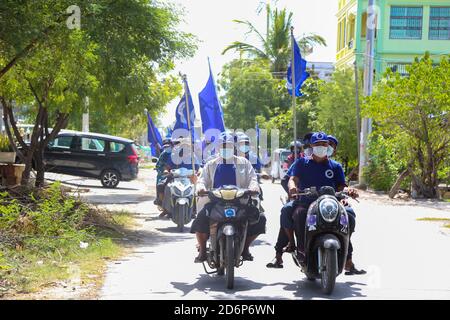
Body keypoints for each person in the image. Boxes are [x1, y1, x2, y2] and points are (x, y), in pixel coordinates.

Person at [190, 132, 266, 263]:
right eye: (223, 146)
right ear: (218, 147)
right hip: (215, 202)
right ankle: (202, 250)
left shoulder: (244, 163)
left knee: (260, 218)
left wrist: (254, 187)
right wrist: (201, 187)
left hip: (239, 202)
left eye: (229, 146)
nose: (226, 148)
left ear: (234, 147)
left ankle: (245, 248)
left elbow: (253, 179)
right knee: (200, 219)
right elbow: (202, 180)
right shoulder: (210, 164)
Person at [267, 132, 313, 269]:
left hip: (324, 202)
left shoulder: (330, 164)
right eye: (311, 145)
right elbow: (287, 179)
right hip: (302, 200)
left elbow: (340, 184)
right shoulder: (300, 162)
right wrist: (293, 191)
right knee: (288, 216)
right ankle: (280, 254)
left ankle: (347, 259)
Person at [154, 138, 174, 209]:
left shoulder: (176, 154)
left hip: (176, 174)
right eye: (165, 147)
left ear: (172, 145)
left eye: (168, 146)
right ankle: (160, 201)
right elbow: (158, 165)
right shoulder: (163, 154)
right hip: (164, 174)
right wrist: (162, 171)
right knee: (159, 184)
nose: (167, 148)